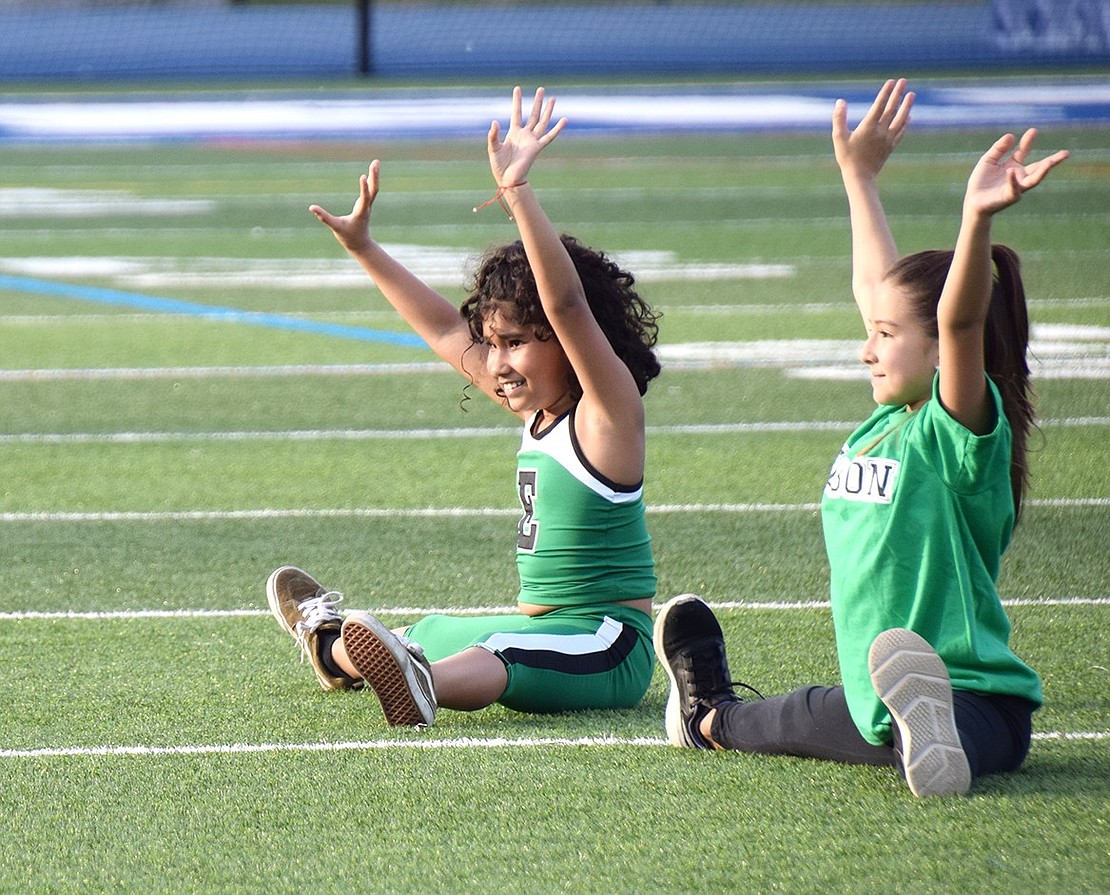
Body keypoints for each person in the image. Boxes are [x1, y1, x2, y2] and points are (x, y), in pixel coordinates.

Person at [654, 79, 1069, 796]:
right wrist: (860, 178)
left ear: (941, 350)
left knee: (798, 717)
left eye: (885, 337)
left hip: (980, 699)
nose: (865, 348)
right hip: (877, 701)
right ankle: (908, 736)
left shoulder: (955, 431)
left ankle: (731, 719)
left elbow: (960, 322)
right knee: (821, 714)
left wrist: (976, 219)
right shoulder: (885, 423)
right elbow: (879, 290)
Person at [267, 87, 662, 728]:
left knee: (495, 650)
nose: (497, 362)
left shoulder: (607, 416)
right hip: (550, 630)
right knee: (422, 629)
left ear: (566, 346)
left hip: (609, 645)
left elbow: (565, 306)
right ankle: (331, 648)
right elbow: (449, 333)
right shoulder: (533, 409)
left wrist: (517, 191)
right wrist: (365, 248)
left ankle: (424, 687)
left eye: (515, 344)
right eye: (495, 343)